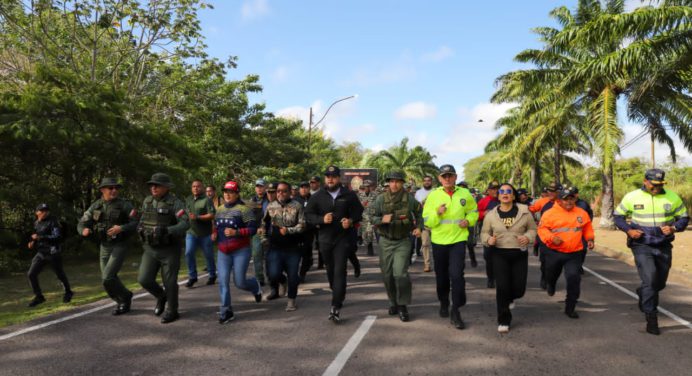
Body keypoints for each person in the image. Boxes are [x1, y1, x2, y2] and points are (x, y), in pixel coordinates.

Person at [614, 168, 688, 335]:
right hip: (641, 244)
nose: (657, 187)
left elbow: (684, 217)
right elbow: (618, 216)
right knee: (650, 279)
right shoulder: (632, 197)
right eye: (654, 184)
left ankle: (643, 292)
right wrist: (628, 230)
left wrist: (674, 228)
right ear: (645, 181)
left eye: (660, 184)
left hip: (663, 245)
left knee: (659, 283)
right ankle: (651, 317)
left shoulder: (672, 197)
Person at [422, 164, 478, 330]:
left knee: (457, 275)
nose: (447, 179)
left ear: (455, 177)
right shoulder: (433, 196)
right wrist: (437, 213)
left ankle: (456, 310)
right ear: (439, 179)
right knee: (442, 278)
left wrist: (468, 221)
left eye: (450, 176)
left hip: (458, 240)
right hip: (439, 241)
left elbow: (473, 212)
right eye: (444, 176)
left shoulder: (465, 193)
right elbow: (427, 222)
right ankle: (444, 301)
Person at [305, 165, 364, 323]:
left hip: (342, 239)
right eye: (327, 176)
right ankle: (338, 292)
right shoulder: (318, 196)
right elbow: (308, 215)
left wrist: (350, 221)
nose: (330, 179)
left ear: (339, 178)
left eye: (333, 176)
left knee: (339, 271)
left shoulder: (349, 195)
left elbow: (359, 212)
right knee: (331, 271)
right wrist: (321, 220)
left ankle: (335, 306)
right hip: (325, 240)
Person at [481, 183, 536, 333]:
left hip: (519, 253)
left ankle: (511, 297)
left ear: (513, 195)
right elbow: (484, 233)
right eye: (502, 191)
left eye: (508, 191)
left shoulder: (524, 212)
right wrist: (488, 240)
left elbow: (533, 229)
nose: (505, 194)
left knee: (519, 289)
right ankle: (504, 319)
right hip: (499, 254)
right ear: (498, 196)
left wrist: (528, 237)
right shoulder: (491, 214)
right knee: (502, 287)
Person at [77, 178, 138, 315]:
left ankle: (125, 298)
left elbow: (136, 222)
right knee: (106, 281)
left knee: (108, 277)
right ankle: (123, 299)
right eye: (110, 188)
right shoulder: (96, 206)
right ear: (102, 190)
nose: (114, 190)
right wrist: (83, 230)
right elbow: (82, 222)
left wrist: (121, 228)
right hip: (104, 245)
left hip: (120, 245)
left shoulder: (124, 205)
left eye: (116, 188)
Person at [136, 173, 189, 324]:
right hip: (150, 248)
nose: (153, 187)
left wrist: (167, 230)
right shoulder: (147, 201)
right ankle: (161, 296)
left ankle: (172, 311)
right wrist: (140, 226)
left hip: (169, 249)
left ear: (166, 187)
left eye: (157, 185)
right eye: (152, 185)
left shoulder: (175, 203)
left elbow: (185, 223)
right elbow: (142, 219)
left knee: (170, 282)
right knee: (144, 279)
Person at [370, 171, 423, 322]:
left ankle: (402, 305)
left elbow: (420, 214)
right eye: (392, 181)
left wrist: (419, 227)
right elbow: (370, 216)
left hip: (403, 241)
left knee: (400, 274)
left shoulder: (409, 199)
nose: (394, 184)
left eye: (398, 181)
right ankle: (392, 301)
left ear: (402, 183)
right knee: (387, 275)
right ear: (388, 183)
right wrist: (381, 219)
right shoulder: (380, 199)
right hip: (385, 241)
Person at [537, 187, 594, 319]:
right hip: (554, 252)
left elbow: (587, 228)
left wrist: (590, 239)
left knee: (574, 278)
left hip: (574, 253)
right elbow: (542, 230)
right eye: (566, 199)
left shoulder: (581, 212)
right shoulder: (550, 213)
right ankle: (550, 284)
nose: (569, 201)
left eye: (572, 198)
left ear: (575, 199)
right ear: (559, 200)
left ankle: (570, 307)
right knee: (551, 274)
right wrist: (551, 238)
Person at [213, 180, 263, 324]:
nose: (228, 195)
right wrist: (214, 233)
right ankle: (226, 310)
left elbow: (253, 229)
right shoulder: (220, 209)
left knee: (240, 282)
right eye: (226, 192)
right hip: (223, 251)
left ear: (237, 194)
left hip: (241, 250)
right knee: (223, 281)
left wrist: (236, 232)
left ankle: (255, 286)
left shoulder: (244, 209)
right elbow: (217, 226)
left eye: (231, 192)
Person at [261, 182, 306, 311]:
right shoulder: (271, 206)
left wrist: (289, 230)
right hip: (275, 247)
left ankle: (291, 301)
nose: (281, 193)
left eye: (284, 191)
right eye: (278, 191)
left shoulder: (297, 206)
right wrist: (263, 238)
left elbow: (302, 225)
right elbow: (263, 224)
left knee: (293, 275)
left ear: (289, 192)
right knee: (273, 274)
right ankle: (282, 280)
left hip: (293, 247)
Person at [27, 203, 73, 307]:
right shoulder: (36, 223)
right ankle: (39, 297)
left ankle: (68, 292)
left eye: (46, 210)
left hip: (53, 253)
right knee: (31, 274)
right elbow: (35, 235)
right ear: (37, 213)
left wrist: (40, 237)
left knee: (59, 274)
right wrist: (32, 242)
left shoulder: (53, 222)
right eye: (42, 211)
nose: (45, 212)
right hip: (41, 253)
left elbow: (57, 237)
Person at [184, 179, 216, 288]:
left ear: (202, 188)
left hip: (205, 233)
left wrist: (198, 217)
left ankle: (212, 275)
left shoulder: (207, 200)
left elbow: (212, 215)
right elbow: (186, 213)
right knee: (188, 253)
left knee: (208, 255)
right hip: (191, 232)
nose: (195, 188)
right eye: (193, 186)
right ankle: (192, 277)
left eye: (198, 186)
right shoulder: (188, 199)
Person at [529, 182, 560, 289]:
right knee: (545, 260)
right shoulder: (542, 201)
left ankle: (551, 280)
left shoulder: (564, 202)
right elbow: (530, 210)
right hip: (545, 235)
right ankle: (544, 277)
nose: (550, 193)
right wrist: (533, 221)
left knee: (556, 262)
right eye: (549, 191)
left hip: (560, 237)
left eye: (553, 191)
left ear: (559, 192)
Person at [478, 181, 500, 287]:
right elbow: (474, 214)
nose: (496, 191)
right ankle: (491, 278)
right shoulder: (483, 201)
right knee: (489, 257)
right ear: (489, 191)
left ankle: (501, 278)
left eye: (497, 189)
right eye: (493, 189)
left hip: (503, 234)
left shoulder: (504, 199)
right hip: (488, 234)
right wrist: (483, 214)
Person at [249, 179, 269, 286]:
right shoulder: (252, 200)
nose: (259, 189)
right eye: (257, 186)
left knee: (270, 255)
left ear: (265, 187)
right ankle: (259, 278)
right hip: (257, 231)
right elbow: (250, 216)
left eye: (261, 186)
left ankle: (273, 275)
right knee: (256, 254)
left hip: (269, 230)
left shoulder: (270, 197)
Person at [295, 181, 314, 281]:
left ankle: (302, 274)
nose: (304, 189)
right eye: (302, 187)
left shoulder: (314, 199)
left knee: (306, 253)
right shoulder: (294, 200)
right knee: (296, 253)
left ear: (309, 188)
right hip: (296, 232)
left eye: (306, 187)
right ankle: (294, 273)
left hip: (309, 231)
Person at [414, 175, 434, 272]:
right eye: (425, 181)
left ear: (431, 182)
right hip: (424, 222)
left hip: (436, 223)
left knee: (437, 245)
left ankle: (439, 263)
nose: (427, 182)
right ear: (423, 182)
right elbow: (416, 208)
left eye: (428, 181)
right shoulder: (418, 193)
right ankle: (427, 264)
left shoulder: (436, 192)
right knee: (425, 244)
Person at [357, 180, 377, 256]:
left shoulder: (375, 195)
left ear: (370, 187)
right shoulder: (360, 195)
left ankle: (370, 248)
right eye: (365, 186)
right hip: (363, 218)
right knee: (364, 234)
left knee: (370, 232)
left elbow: (377, 206)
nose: (367, 188)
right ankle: (366, 243)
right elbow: (358, 206)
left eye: (368, 186)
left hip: (371, 217)